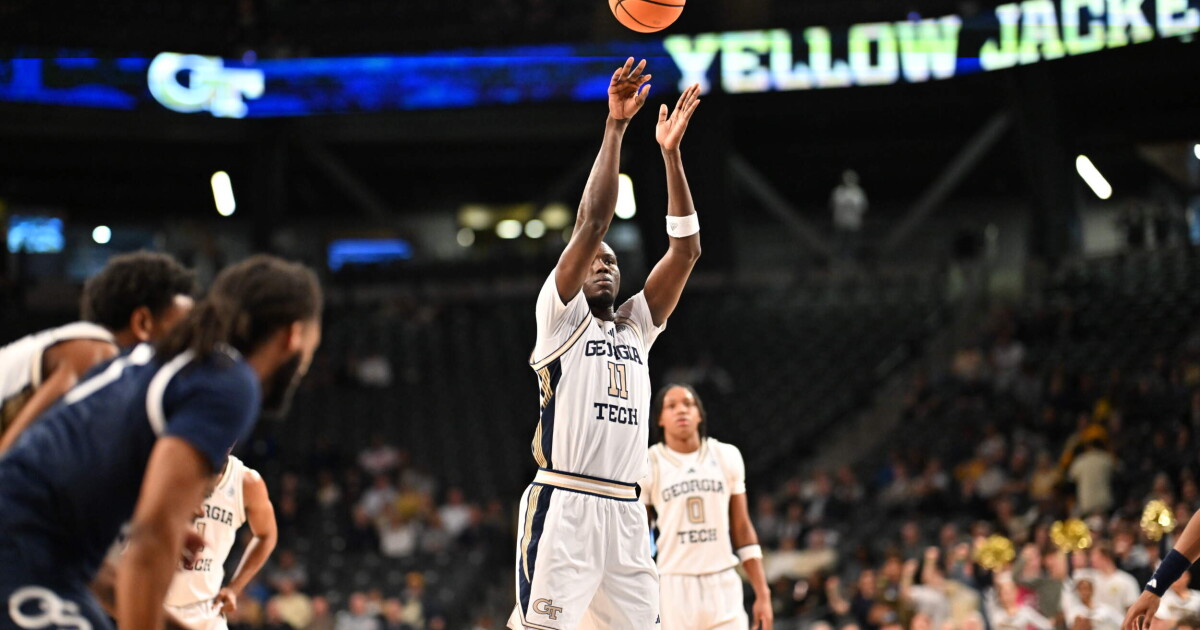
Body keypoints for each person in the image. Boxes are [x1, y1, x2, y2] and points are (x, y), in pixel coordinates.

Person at [0, 254, 322, 630]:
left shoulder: (157, 364)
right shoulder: (228, 382)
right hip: (21, 546)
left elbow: (107, 561)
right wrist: (154, 529)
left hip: (45, 551)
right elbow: (151, 542)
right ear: (295, 334)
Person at [507, 58, 703, 630]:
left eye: (613, 262)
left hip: (624, 510)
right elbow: (592, 222)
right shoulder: (560, 318)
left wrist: (670, 156)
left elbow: (685, 253)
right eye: (594, 259)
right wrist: (616, 127)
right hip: (564, 502)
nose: (603, 264)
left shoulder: (636, 327)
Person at [0, 250, 195, 452]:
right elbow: (12, 456)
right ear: (142, 322)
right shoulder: (96, 353)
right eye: (181, 328)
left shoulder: (89, 348)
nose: (189, 341)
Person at [640, 384, 773, 630]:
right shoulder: (649, 462)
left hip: (722, 579)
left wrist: (762, 593)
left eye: (688, 404)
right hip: (673, 583)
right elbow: (638, 538)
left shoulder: (726, 455)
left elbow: (742, 528)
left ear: (700, 414)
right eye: (671, 406)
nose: (681, 410)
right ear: (659, 418)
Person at [164, 455, 279, 630]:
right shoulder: (163, 465)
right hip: (152, 604)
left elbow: (267, 535)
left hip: (205, 612)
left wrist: (234, 588)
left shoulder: (246, 482)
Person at [830, 170, 868, 262]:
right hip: (841, 222)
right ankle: (838, 259)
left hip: (854, 223)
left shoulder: (858, 192)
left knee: (852, 242)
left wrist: (852, 206)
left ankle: (852, 259)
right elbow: (833, 205)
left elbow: (863, 206)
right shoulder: (838, 191)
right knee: (839, 242)